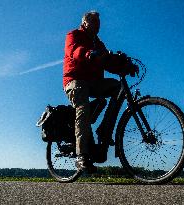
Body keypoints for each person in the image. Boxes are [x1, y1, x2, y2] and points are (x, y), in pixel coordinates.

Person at [63, 11, 121, 172]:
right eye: (94, 21)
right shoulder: (73, 35)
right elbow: (74, 51)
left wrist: (125, 65)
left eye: (99, 22)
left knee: (118, 87)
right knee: (83, 108)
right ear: (85, 22)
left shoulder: (99, 44)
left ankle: (104, 129)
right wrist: (88, 54)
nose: (98, 25)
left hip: (94, 83)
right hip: (75, 81)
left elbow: (109, 62)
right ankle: (81, 155)